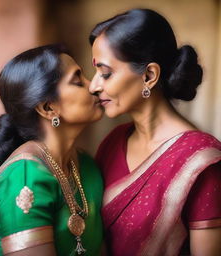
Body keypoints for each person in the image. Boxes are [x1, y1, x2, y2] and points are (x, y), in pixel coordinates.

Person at [89, 8, 221, 256]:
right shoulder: (112, 142)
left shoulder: (201, 160)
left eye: (105, 74)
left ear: (149, 75)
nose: (94, 86)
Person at [0, 45, 104, 256]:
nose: (93, 87)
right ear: (48, 108)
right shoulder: (24, 178)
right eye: (78, 81)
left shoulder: (87, 166)